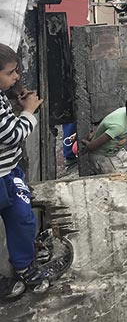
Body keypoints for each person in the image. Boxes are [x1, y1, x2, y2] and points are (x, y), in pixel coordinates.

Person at [0, 43, 48, 299]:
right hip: (1, 176)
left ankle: (23, 265)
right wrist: (29, 111)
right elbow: (12, 134)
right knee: (20, 219)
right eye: (11, 72)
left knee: (22, 220)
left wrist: (18, 109)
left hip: (9, 171)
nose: (16, 77)